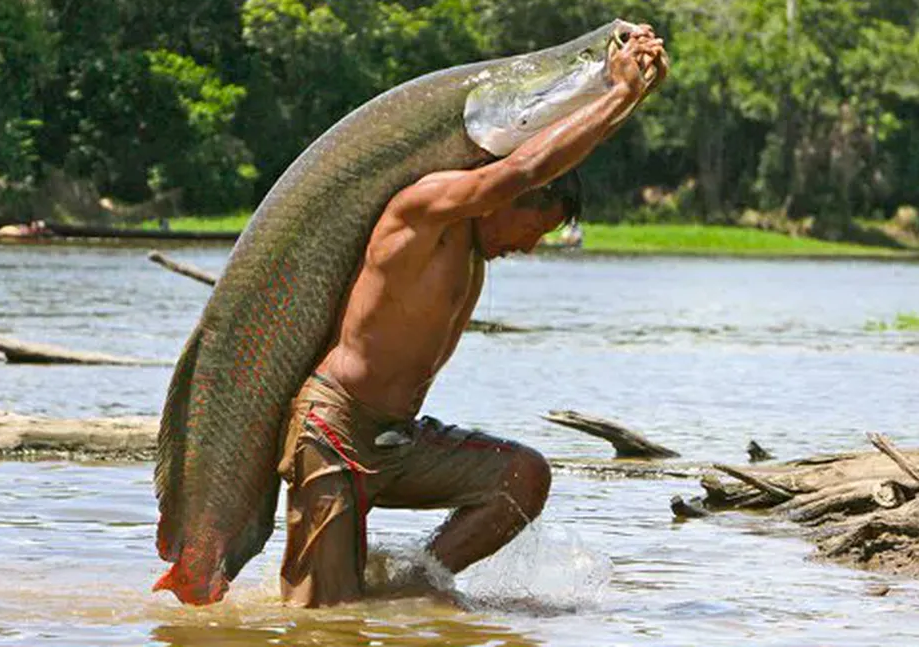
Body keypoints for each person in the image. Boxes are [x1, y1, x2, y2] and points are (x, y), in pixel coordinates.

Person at [276, 26, 669, 608]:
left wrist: (632, 91)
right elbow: (519, 169)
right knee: (321, 623)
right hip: (335, 433)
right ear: (505, 203)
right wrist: (616, 94)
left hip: (399, 438)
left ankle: (412, 585)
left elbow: (535, 162)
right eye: (534, 231)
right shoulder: (424, 211)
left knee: (522, 477)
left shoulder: (474, 251)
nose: (530, 248)